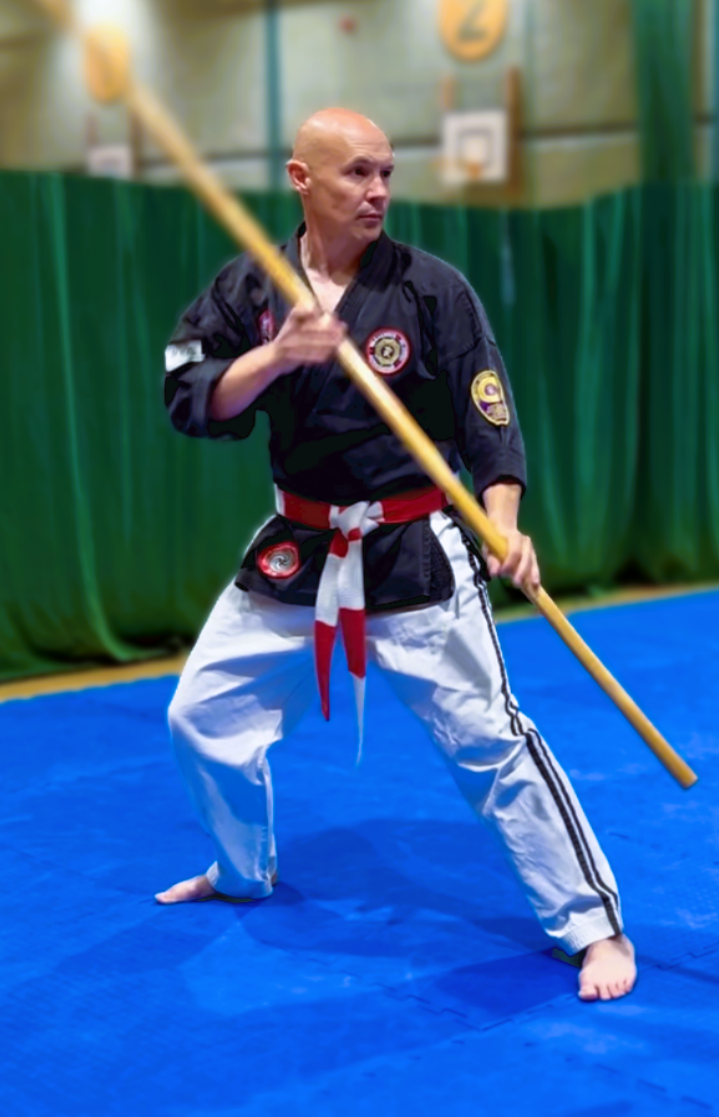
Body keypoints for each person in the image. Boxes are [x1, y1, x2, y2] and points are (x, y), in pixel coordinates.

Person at [155, 108, 636, 1002]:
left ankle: (593, 926)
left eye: (385, 173)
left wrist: (502, 520)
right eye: (356, 174)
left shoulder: (431, 289)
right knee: (201, 718)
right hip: (300, 546)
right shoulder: (249, 289)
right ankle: (241, 869)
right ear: (302, 180)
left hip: (415, 550)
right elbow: (189, 397)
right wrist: (273, 356)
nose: (377, 191)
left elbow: (487, 413)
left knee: (490, 742)